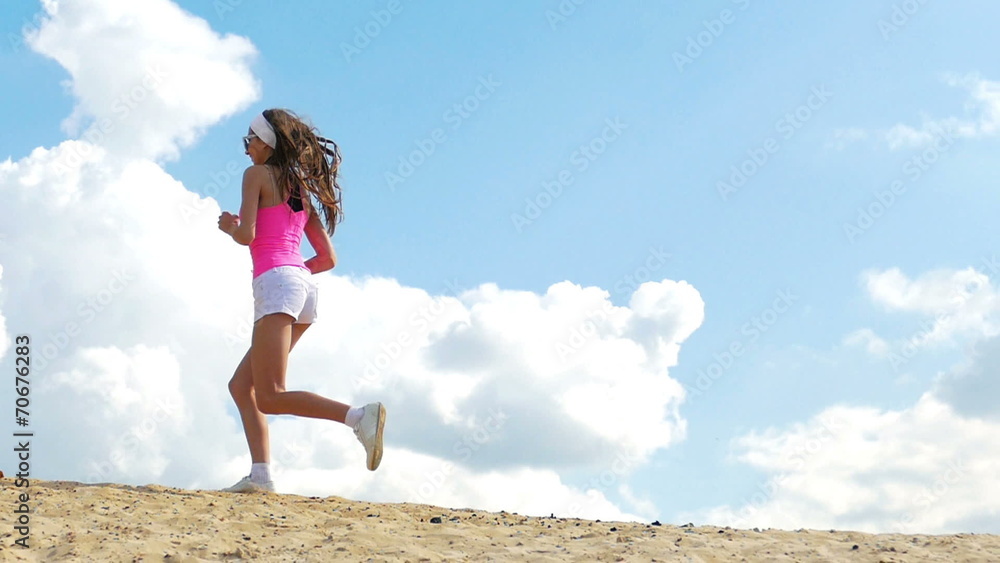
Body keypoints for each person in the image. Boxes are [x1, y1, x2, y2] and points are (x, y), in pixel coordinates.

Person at [217, 109, 385, 493]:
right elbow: (327, 258)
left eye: (249, 141)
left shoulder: (256, 176)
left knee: (271, 396)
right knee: (242, 386)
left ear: (266, 142)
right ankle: (261, 476)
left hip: (277, 284)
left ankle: (359, 417)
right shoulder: (301, 192)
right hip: (302, 287)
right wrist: (293, 274)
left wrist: (229, 227)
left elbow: (246, 235)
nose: (246, 150)